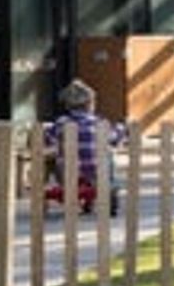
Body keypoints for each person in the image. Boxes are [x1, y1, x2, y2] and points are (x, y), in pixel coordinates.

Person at [45, 79, 127, 213]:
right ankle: (110, 186)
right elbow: (114, 139)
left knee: (57, 159)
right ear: (90, 104)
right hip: (96, 169)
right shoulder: (99, 122)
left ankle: (66, 185)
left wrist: (48, 132)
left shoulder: (62, 122)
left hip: (69, 170)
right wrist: (121, 130)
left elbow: (49, 139)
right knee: (108, 156)